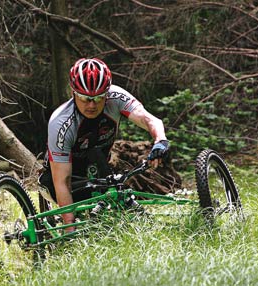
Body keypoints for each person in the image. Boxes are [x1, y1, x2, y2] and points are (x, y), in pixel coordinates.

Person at [39, 58, 169, 231]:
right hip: (65, 175)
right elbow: (62, 181)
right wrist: (69, 229)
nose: (91, 105)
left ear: (107, 93)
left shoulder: (115, 96)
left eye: (99, 98)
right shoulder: (60, 123)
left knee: (112, 215)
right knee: (69, 208)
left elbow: (149, 119)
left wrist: (160, 140)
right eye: (85, 98)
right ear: (73, 92)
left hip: (98, 167)